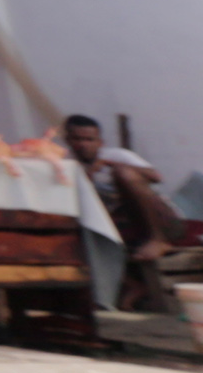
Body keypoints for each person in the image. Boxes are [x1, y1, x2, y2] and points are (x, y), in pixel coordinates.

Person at [60, 114, 186, 312]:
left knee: (123, 174)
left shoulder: (116, 155)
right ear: (67, 140)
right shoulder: (66, 166)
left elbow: (156, 176)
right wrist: (87, 178)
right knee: (75, 235)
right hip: (121, 227)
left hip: (162, 222)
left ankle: (158, 240)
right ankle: (134, 286)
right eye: (77, 139)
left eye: (89, 139)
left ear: (100, 142)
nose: (83, 144)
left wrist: (110, 164)